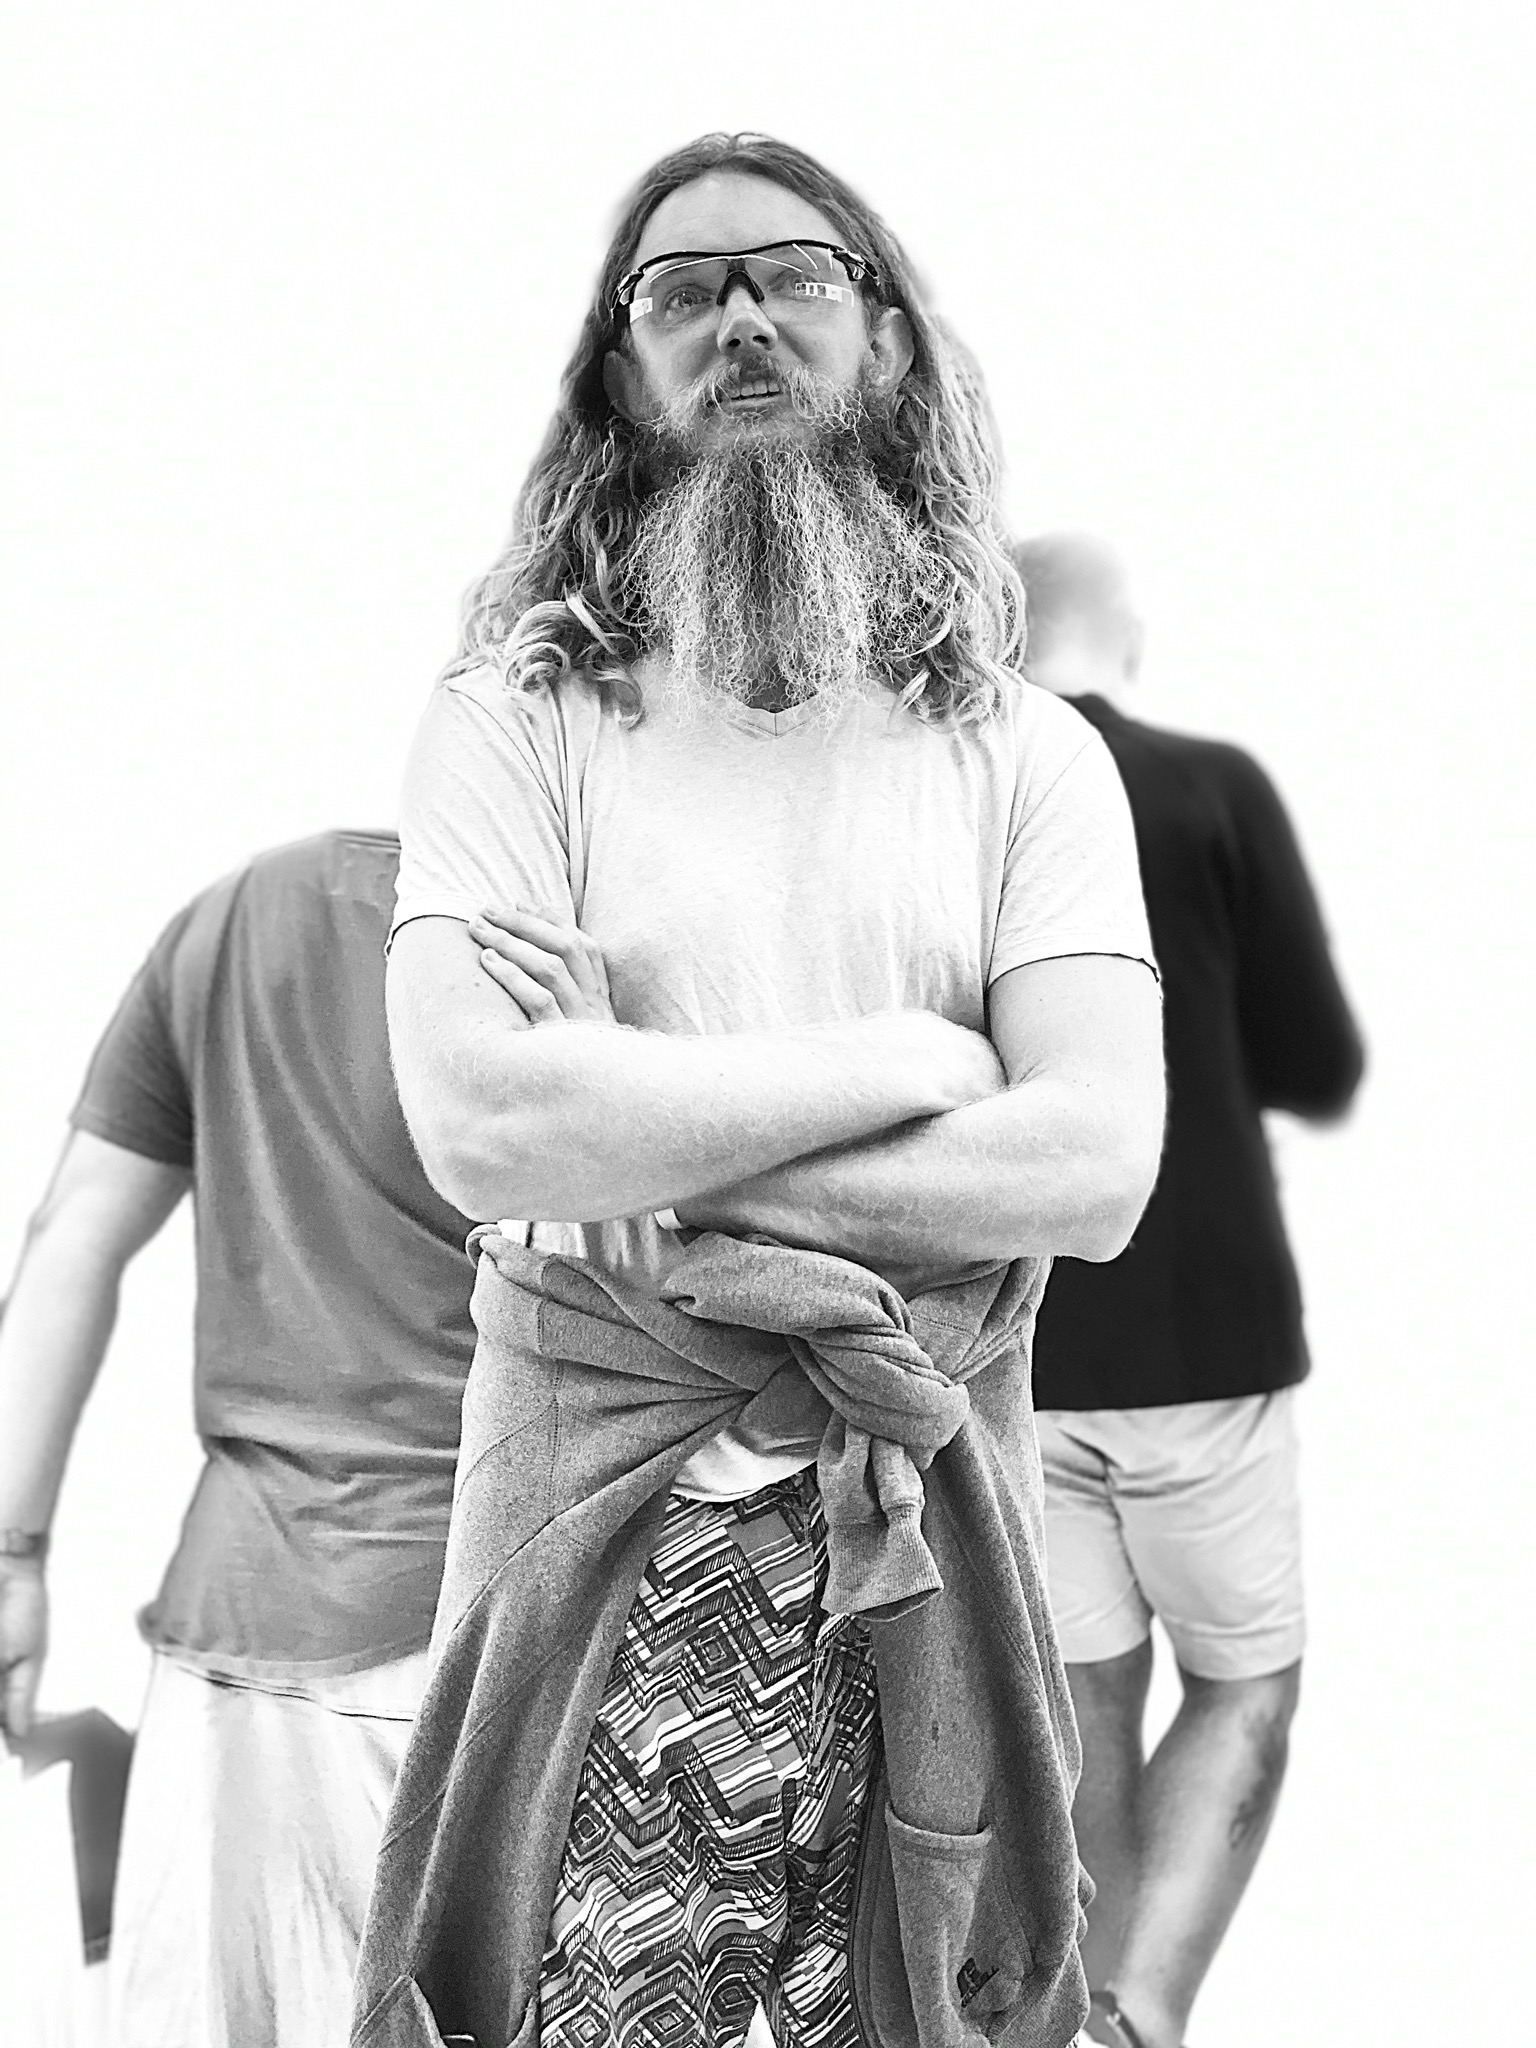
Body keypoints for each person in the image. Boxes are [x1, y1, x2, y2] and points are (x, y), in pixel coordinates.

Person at [350, 134, 1165, 2048]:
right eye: (681, 288)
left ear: (885, 334)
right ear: (615, 373)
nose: (740, 319)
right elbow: (484, 1127)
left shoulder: (1028, 756)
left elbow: (1095, 1161)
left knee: (913, 1999)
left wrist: (651, 1127)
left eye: (794, 274)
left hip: (923, 1530)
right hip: (603, 1523)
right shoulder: (512, 722)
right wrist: (910, 1065)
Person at [0, 829, 479, 2048]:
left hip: (226, 1650)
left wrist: (11, 1558)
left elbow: (72, 1233)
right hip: (473, 1644)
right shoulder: (554, 939)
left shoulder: (241, 913)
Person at [1015, 534, 1365, 2048]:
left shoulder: (967, 799)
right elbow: (1319, 1061)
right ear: (1125, 636)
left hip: (1023, 1339)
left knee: (1088, 1698)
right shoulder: (1209, 787)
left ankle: (1076, 2018)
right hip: (1209, 1333)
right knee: (1242, 1686)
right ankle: (1141, 2016)